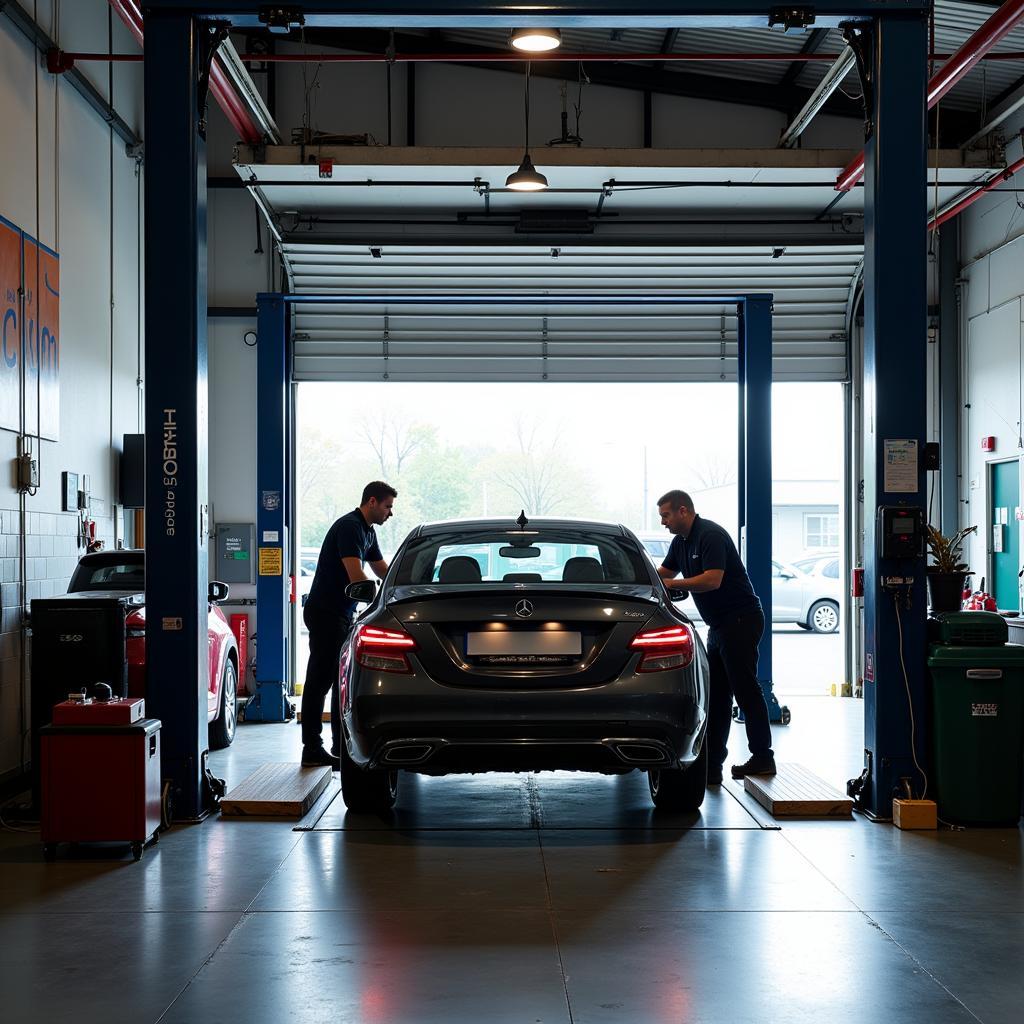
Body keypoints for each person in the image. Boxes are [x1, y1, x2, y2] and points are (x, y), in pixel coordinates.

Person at [655, 489, 775, 785]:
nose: (663, 522)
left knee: (745, 689)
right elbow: (663, 573)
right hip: (719, 625)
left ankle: (763, 757)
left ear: (684, 511)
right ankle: (713, 765)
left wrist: (673, 584)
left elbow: (713, 579)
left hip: (741, 620)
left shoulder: (710, 535)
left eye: (666, 515)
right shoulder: (680, 543)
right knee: (718, 696)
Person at [300, 481, 396, 768]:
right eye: (387, 506)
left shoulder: (368, 531)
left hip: (341, 613)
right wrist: (380, 600)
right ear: (371, 502)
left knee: (337, 680)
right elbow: (357, 576)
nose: (390, 513)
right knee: (321, 681)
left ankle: (338, 746)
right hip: (326, 613)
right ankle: (312, 748)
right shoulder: (350, 527)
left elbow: (382, 570)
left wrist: (405, 586)